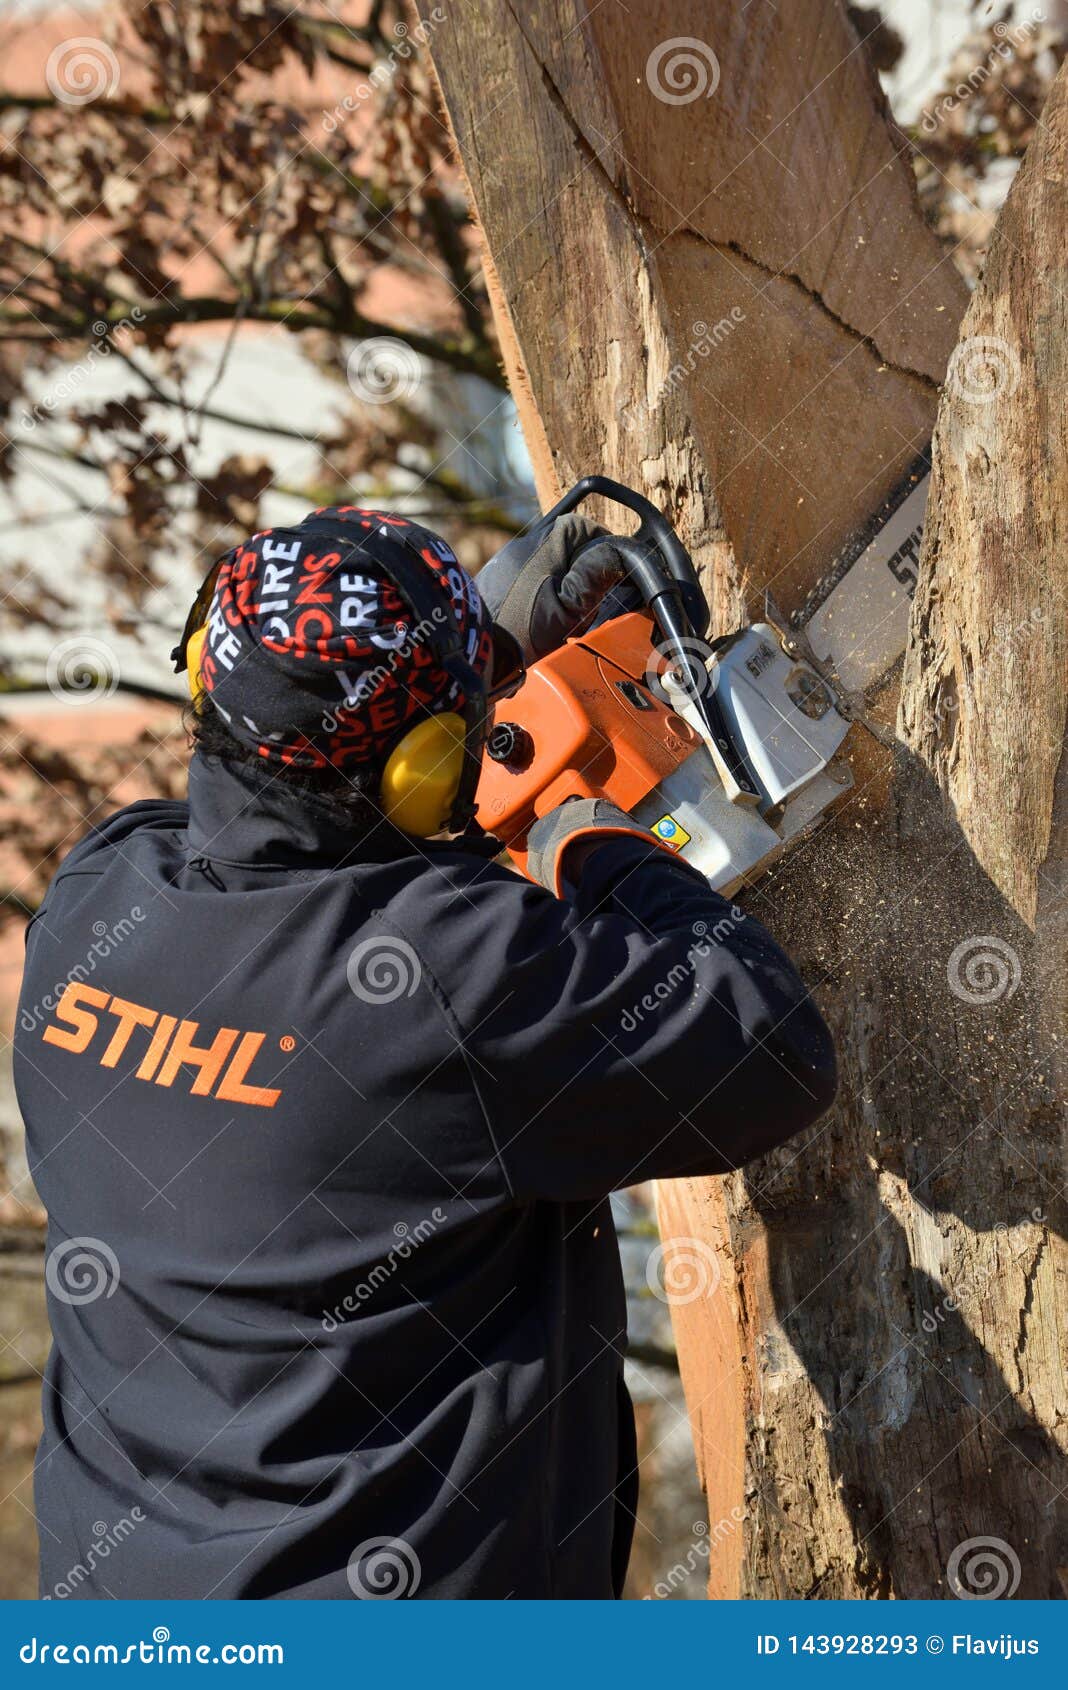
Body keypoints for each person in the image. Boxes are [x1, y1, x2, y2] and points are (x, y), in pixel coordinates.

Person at [14, 503, 835, 1600]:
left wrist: (473, 662)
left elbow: (313, 865)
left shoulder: (96, 899)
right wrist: (594, 832)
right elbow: (772, 1049)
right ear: (420, 761)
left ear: (211, 680)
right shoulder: (447, 979)